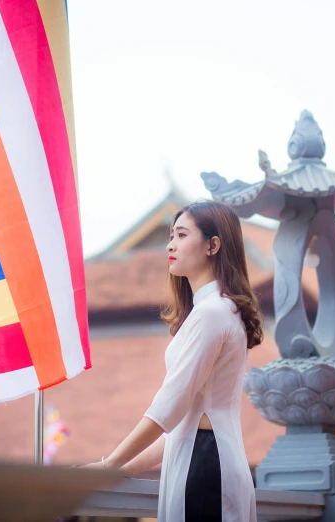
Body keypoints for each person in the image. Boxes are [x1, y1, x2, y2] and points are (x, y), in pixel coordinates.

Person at [82, 200, 263, 522]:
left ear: (213, 245)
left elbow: (170, 406)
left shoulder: (212, 313)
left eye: (181, 235)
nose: (170, 245)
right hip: (201, 457)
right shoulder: (214, 311)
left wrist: (109, 464)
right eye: (170, 236)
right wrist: (126, 469)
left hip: (206, 466)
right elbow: (182, 428)